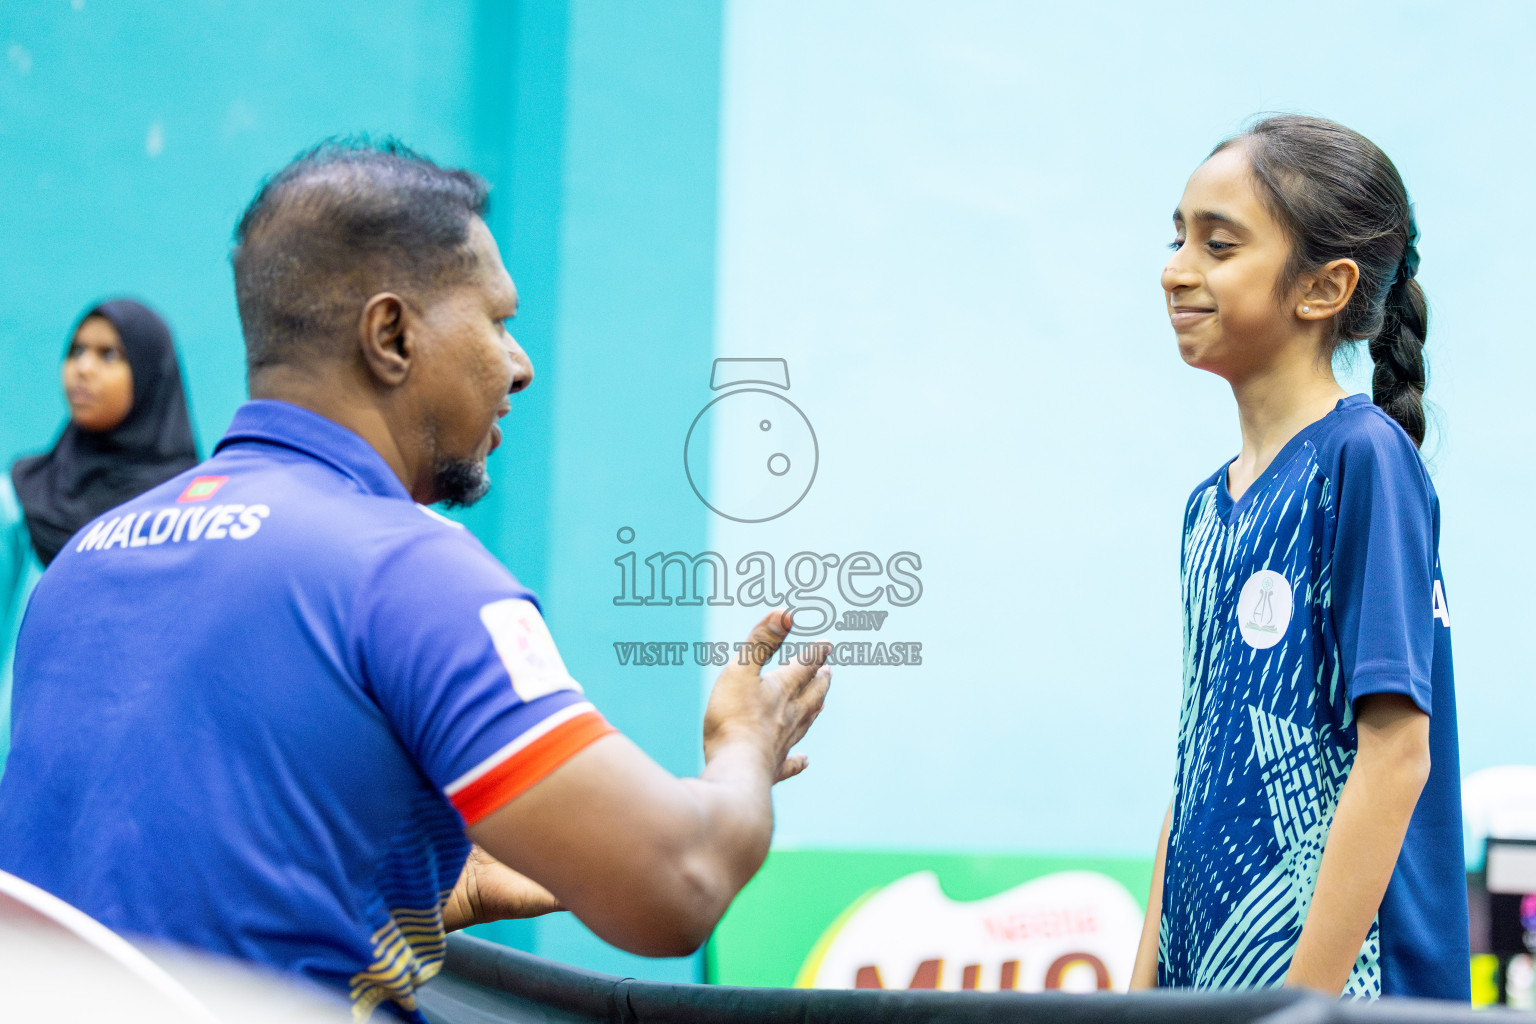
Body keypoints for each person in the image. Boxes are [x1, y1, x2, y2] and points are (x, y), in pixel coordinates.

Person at [0, 139, 831, 1023]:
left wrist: (427, 901)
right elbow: (678, 884)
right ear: (391, 335)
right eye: (498, 321)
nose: (520, 365)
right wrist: (743, 746)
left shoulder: (84, 561)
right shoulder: (409, 570)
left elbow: (150, 913)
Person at [1129, 115, 1466, 1000]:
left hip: (1342, 1000)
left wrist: (1297, 1011)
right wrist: (1141, 998)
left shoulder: (1364, 458)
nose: (1176, 268)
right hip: (1211, 992)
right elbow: (1199, 762)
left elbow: (1395, 755)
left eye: (1219, 243)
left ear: (1323, 288)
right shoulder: (1209, 507)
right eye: (1178, 237)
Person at [1, 299, 198, 773]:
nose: (83, 370)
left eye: (109, 355)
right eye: (76, 351)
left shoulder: (191, 507)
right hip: (22, 749)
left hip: (141, 759)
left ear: (152, 374)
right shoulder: (18, 499)